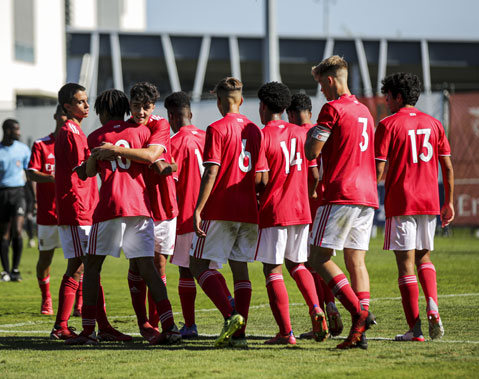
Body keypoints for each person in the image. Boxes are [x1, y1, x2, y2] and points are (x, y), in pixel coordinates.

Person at [65, 89, 181, 345]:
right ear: (126, 108)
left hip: (108, 208)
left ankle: (87, 331)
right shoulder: (141, 132)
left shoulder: (96, 136)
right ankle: (170, 326)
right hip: (140, 206)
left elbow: (89, 173)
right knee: (147, 269)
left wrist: (91, 161)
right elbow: (156, 159)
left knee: (93, 266)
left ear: (102, 111)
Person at [304, 55, 378, 349]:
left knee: (317, 258)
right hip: (368, 194)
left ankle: (360, 314)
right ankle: (359, 334)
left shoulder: (331, 109)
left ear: (331, 80)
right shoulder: (365, 112)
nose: (321, 90)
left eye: (322, 84)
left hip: (340, 192)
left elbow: (312, 150)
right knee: (356, 260)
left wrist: (310, 135)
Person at [375, 72, 454, 341]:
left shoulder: (388, 125)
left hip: (402, 202)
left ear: (398, 96)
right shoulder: (434, 124)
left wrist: (367, 189)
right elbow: (447, 166)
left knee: (405, 264)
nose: (385, 100)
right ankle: (432, 301)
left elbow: (379, 168)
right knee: (424, 257)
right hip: (430, 201)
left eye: (388, 95)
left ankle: (415, 330)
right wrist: (450, 202)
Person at [189, 77, 267, 348]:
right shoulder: (255, 130)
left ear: (219, 102)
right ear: (242, 100)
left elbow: (211, 170)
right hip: (248, 209)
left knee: (197, 264)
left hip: (221, 206)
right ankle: (239, 334)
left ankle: (230, 314)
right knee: (240, 269)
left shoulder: (216, 128)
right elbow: (261, 178)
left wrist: (198, 208)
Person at [51, 83, 128, 342]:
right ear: (67, 106)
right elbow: (81, 170)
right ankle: (61, 325)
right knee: (79, 266)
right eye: (81, 102)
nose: (86, 106)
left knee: (90, 266)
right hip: (76, 206)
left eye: (86, 101)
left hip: (85, 206)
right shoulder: (71, 132)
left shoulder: (76, 130)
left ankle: (102, 325)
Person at [255, 82, 329, 345]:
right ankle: (316, 309)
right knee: (298, 265)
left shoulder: (263, 135)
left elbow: (261, 180)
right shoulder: (301, 133)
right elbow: (314, 173)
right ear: (285, 107)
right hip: (301, 210)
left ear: (263, 106)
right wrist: (307, 192)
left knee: (272, 270)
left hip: (275, 210)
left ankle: (286, 332)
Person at [286, 93, 343, 339]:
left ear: (289, 114)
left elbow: (310, 173)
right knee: (319, 260)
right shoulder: (322, 131)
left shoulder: (293, 134)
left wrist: (309, 191)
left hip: (303, 206)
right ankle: (329, 305)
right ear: (310, 111)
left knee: (304, 263)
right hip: (328, 204)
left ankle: (320, 310)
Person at [166, 91, 222, 338]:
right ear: (190, 113)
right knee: (210, 268)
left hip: (189, 214)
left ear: (171, 116)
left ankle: (192, 324)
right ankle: (231, 312)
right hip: (213, 214)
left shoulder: (174, 142)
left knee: (187, 270)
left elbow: (171, 182)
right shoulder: (208, 136)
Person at [27, 105, 83, 315]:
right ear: (56, 116)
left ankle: (79, 302)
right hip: (48, 214)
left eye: (69, 115)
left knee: (81, 259)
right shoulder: (42, 144)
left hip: (73, 212)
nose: (66, 119)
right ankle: (46, 298)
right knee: (44, 259)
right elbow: (31, 173)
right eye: (63, 114)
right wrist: (54, 178)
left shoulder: (77, 141)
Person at [0, 119, 30, 282]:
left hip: (19, 192)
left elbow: (29, 175)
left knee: (17, 231)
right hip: (2, 193)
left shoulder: (23, 149)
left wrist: (33, 199)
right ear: (6, 130)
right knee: (4, 234)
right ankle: (5, 271)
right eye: (15, 129)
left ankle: (15, 269)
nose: (18, 132)